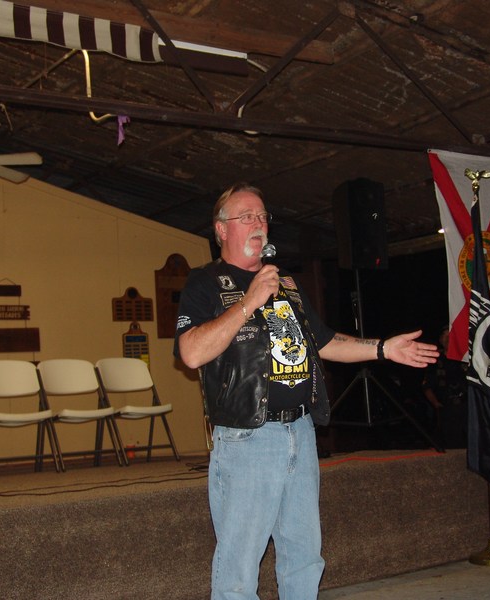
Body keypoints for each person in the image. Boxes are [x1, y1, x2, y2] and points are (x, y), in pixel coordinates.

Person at [173, 182, 439, 599]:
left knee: (304, 556)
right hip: (248, 439)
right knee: (240, 567)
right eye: (247, 217)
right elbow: (190, 353)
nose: (259, 223)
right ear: (221, 229)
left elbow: (325, 342)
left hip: (300, 432)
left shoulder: (287, 285)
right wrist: (248, 302)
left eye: (263, 216)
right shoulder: (205, 282)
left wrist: (384, 348)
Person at [422, 327, 468, 448]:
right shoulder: (435, 360)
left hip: (466, 406)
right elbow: (427, 386)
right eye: (445, 336)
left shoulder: (465, 357)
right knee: (450, 442)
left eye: (450, 336)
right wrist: (435, 403)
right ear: (440, 340)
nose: (448, 339)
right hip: (446, 407)